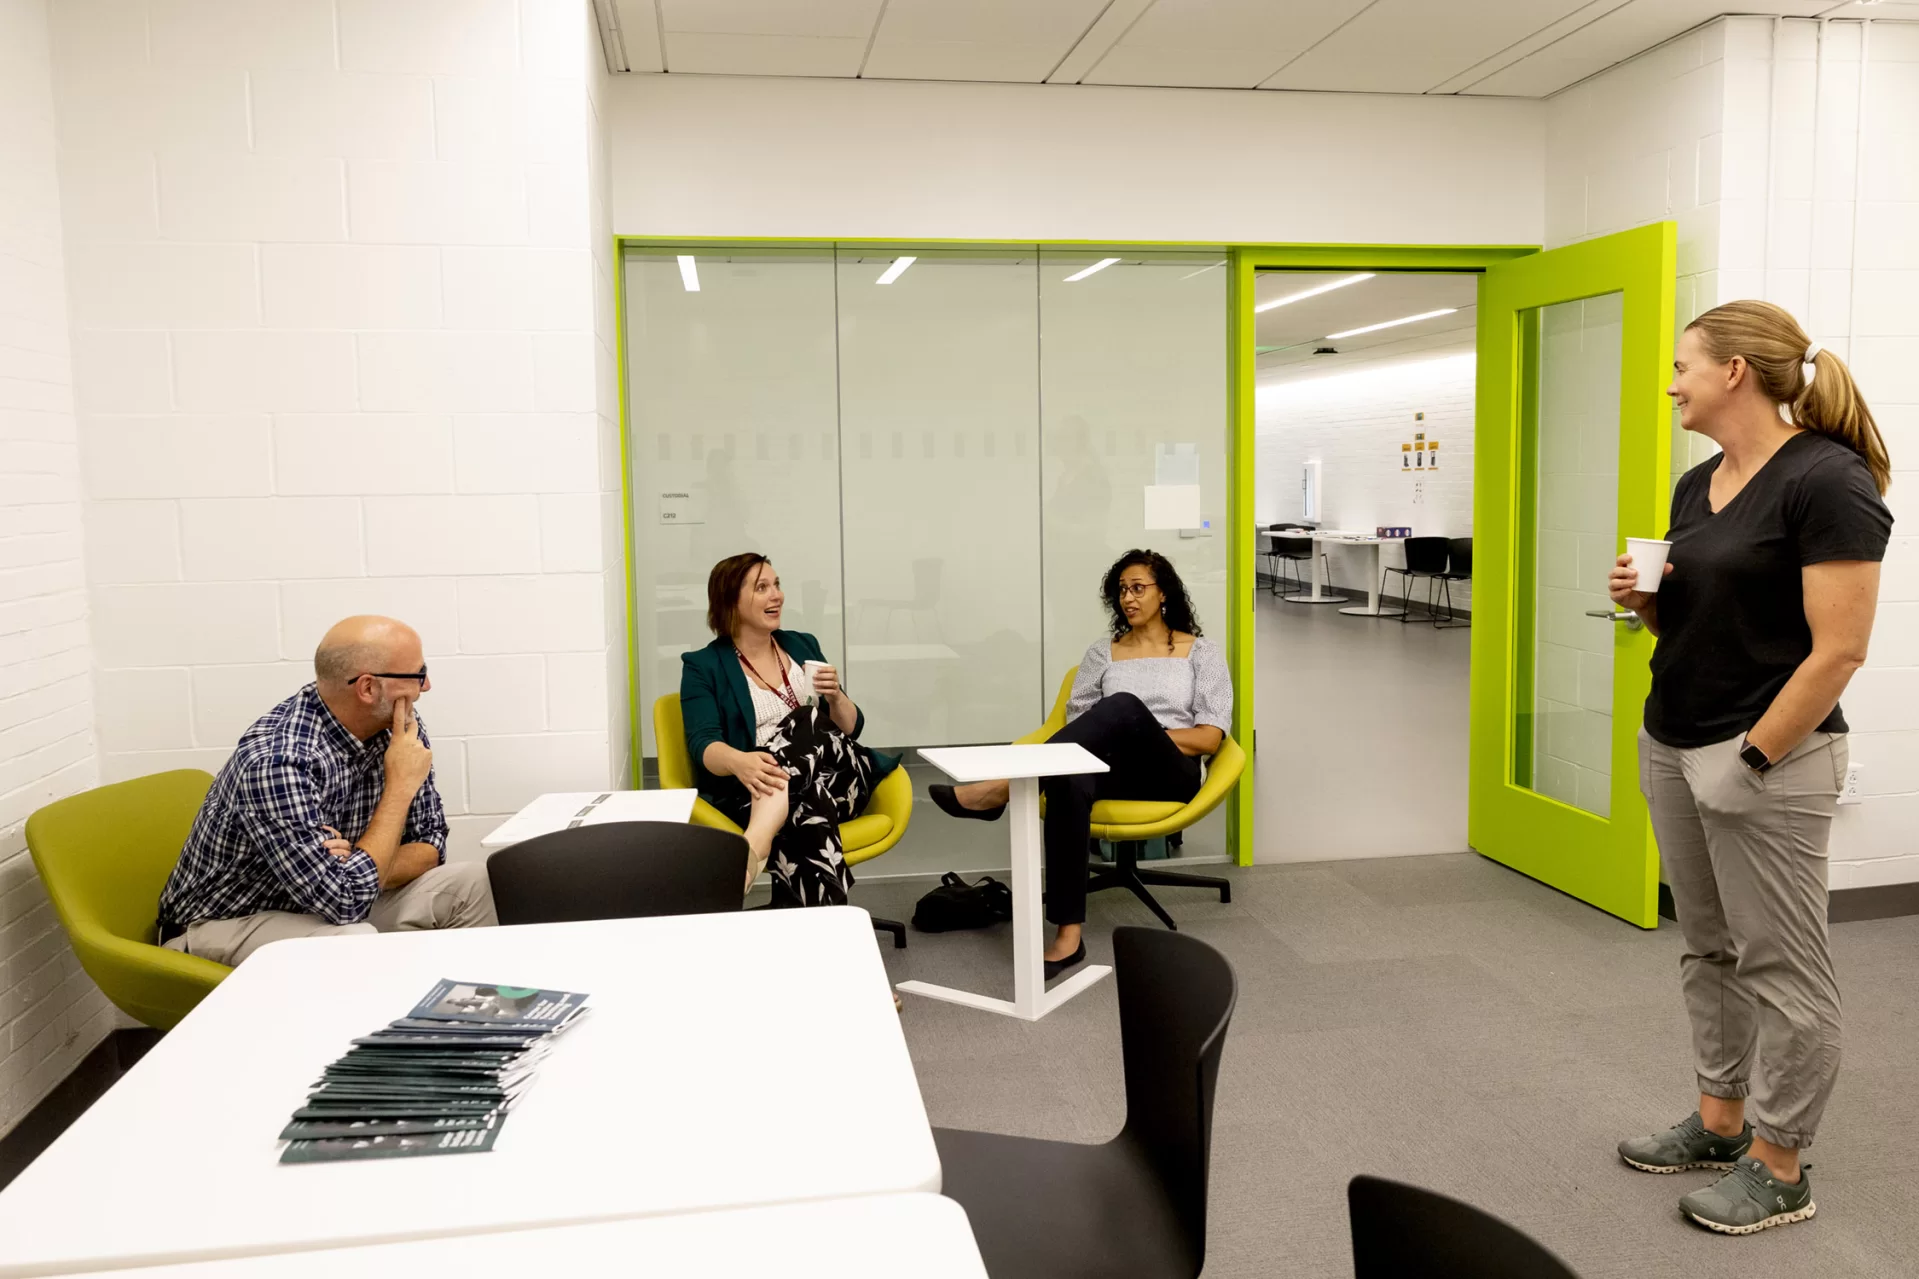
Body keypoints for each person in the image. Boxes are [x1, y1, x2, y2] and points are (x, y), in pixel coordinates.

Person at [1611, 301, 1892, 1235]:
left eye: (1682, 364)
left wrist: (1755, 756)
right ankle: (1721, 1121)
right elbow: (1694, 619)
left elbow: (1839, 649)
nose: (1671, 381)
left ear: (1734, 371)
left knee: (1783, 965)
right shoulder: (1700, 484)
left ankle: (1780, 1163)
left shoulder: (1826, 480)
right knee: (1708, 947)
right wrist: (1645, 601)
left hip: (1765, 753)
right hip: (1674, 734)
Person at [929, 550, 1231, 979]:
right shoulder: (1101, 653)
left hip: (1169, 771)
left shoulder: (1201, 652)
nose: (1128, 598)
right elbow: (1081, 726)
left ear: (1163, 593)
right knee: (1070, 778)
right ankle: (1069, 936)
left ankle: (1002, 787)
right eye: (1121, 590)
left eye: (1138, 588)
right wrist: (1121, 733)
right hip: (1111, 766)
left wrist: (1140, 731)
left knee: (1124, 707)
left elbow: (1209, 736)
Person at [158, 616, 497, 967]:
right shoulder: (278, 760)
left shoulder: (400, 725)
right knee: (352, 939)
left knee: (470, 882)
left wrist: (352, 861)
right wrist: (398, 789)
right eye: (417, 674)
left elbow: (431, 842)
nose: (426, 686)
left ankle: (469, 1012)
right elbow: (344, 901)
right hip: (223, 923)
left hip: (327, 901)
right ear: (368, 688)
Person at [680, 553, 900, 904]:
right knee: (807, 811)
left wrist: (836, 696)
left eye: (777, 585)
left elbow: (851, 728)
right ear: (730, 601)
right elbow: (702, 744)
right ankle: (823, 930)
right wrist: (740, 761)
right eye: (762, 587)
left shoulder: (802, 645)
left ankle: (754, 846)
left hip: (840, 778)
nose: (776, 595)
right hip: (757, 788)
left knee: (808, 718)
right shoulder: (702, 667)